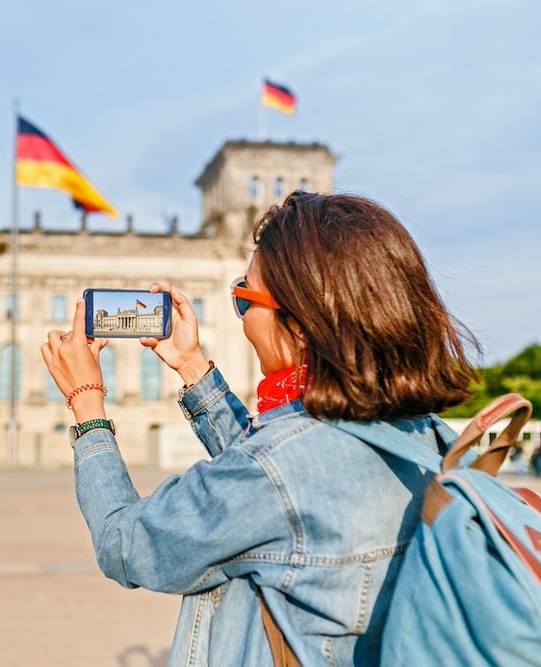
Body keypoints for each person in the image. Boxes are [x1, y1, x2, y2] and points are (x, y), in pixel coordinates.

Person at [41, 191, 479, 666]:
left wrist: (86, 400)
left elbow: (123, 544)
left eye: (243, 297)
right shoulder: (429, 438)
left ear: (301, 322)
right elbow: (285, 488)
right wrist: (191, 367)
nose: (242, 318)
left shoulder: (276, 470)